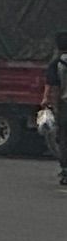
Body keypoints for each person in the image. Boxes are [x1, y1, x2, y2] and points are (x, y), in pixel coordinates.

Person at [45, 30, 67, 187]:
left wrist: (48, 101)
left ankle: (65, 171)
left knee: (64, 138)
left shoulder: (56, 64)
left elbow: (53, 87)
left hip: (65, 105)